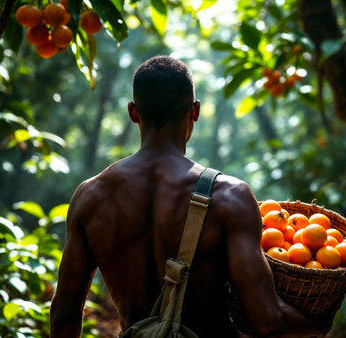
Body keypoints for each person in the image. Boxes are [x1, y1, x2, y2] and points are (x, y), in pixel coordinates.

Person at [50, 55, 329, 337]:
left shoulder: (91, 196)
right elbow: (268, 322)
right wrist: (321, 324)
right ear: (194, 111)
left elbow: (64, 316)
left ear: (133, 112)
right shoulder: (229, 197)